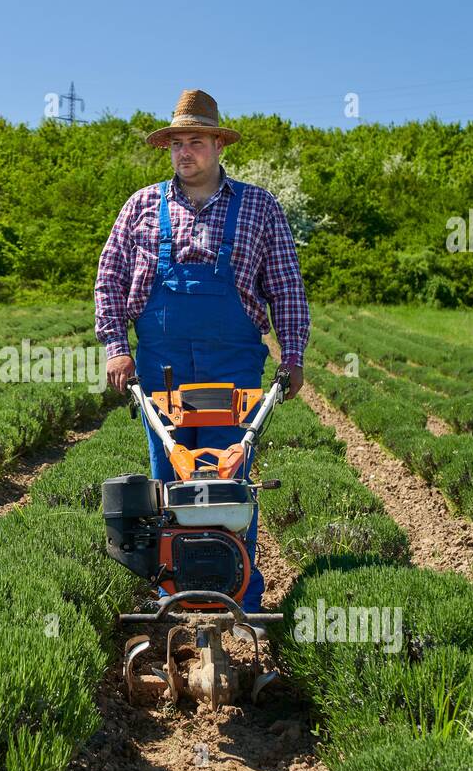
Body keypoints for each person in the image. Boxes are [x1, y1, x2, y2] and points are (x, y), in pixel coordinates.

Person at [94, 88, 311, 614]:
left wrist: (294, 355)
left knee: (230, 478)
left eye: (195, 141)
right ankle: (174, 593)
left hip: (233, 365)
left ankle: (240, 595)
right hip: (161, 365)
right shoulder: (142, 207)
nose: (183, 151)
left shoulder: (258, 207)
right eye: (176, 142)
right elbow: (110, 279)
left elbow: (285, 286)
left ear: (218, 146)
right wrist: (115, 347)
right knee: (171, 478)